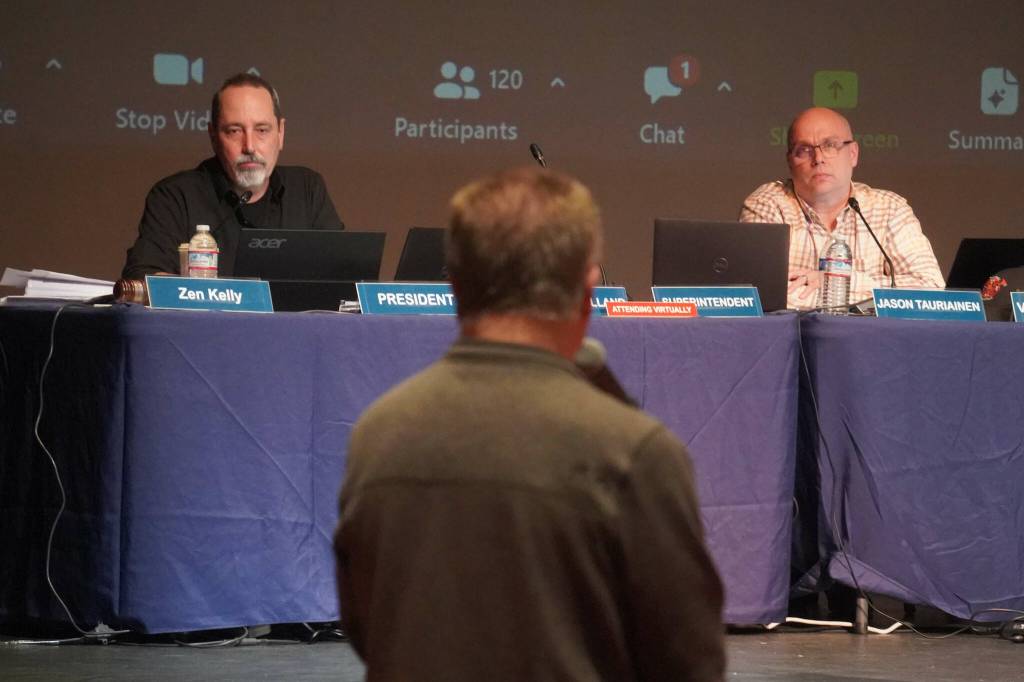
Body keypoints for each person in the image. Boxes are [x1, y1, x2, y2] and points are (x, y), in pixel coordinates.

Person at [334, 167, 725, 681]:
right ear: (588, 290)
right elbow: (688, 661)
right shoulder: (635, 452)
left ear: (455, 286)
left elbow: (368, 627)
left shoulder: (376, 434)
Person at [121, 73, 343, 279]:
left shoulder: (307, 189)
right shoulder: (175, 197)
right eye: (234, 131)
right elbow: (142, 276)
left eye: (262, 130)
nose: (249, 146)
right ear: (213, 136)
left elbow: (343, 274)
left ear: (280, 133)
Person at [740, 107, 944, 309]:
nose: (818, 159)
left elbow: (930, 290)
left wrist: (834, 280)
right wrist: (876, 298)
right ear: (790, 161)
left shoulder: (890, 209)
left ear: (853, 154)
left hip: (868, 331)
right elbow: (759, 295)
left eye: (830, 145)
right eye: (804, 150)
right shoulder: (768, 205)